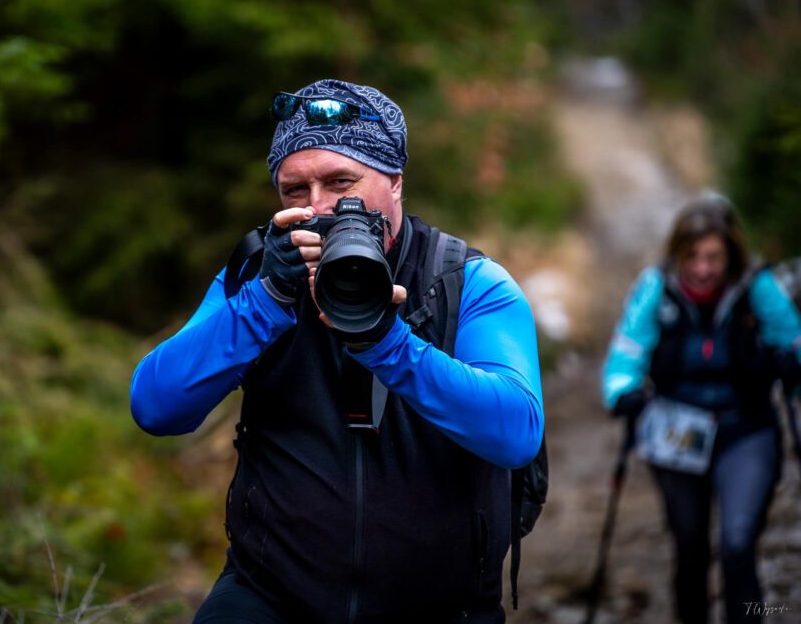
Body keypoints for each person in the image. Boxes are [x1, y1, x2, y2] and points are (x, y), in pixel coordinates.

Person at [131, 79, 544, 623]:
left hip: (441, 604)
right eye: (294, 190)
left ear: (395, 180)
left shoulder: (467, 284)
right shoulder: (258, 279)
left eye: (341, 182)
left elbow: (515, 432)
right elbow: (155, 407)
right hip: (274, 593)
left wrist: (388, 344)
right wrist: (265, 300)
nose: (319, 207)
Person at [602, 195, 801, 624]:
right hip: (677, 431)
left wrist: (790, 361)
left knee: (737, 544)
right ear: (678, 253)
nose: (704, 269)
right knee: (689, 547)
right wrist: (623, 391)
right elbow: (627, 350)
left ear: (731, 254)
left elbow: (793, 340)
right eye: (693, 257)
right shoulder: (656, 286)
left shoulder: (757, 286)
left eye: (714, 257)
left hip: (746, 430)